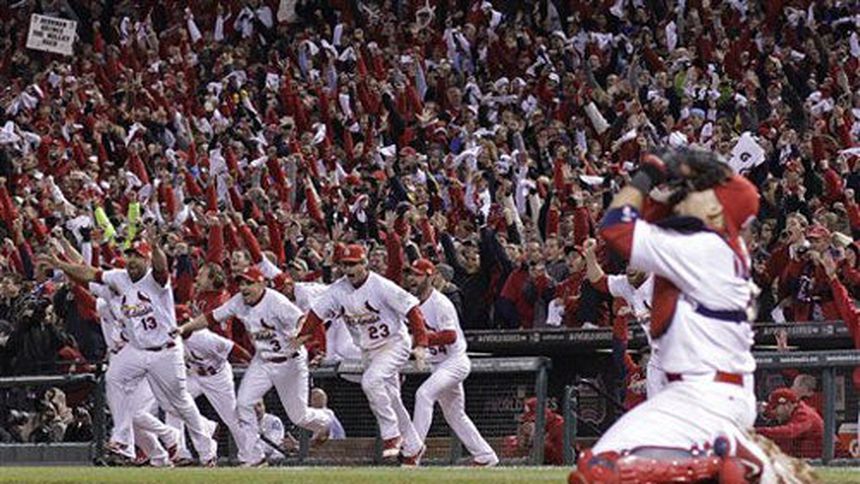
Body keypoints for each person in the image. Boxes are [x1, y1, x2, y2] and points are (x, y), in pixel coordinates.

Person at [570, 148, 811, 483]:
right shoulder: (708, 244)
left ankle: (741, 463)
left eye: (697, 192)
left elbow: (615, 226)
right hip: (704, 388)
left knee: (601, 470)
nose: (685, 196)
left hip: (704, 392)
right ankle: (739, 463)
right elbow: (657, 217)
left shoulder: (699, 247)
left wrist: (648, 175)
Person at [43, 236, 217, 466]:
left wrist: (156, 247)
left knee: (179, 402)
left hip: (165, 349)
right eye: (130, 255)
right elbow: (88, 273)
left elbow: (161, 267)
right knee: (113, 378)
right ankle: (124, 441)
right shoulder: (116, 281)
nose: (132, 259)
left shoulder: (155, 280)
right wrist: (62, 264)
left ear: (147, 259)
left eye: (138, 255)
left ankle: (206, 449)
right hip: (135, 350)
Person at [179, 266, 333, 466]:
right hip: (263, 360)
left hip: (289, 361)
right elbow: (211, 317)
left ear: (262, 284)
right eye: (241, 283)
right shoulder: (238, 301)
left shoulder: (275, 301)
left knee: (299, 416)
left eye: (249, 283)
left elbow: (302, 318)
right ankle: (254, 457)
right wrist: (186, 327)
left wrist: (299, 334)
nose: (244, 287)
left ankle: (325, 421)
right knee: (244, 403)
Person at [298, 244, 430, 465]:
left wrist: (422, 343)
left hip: (394, 343)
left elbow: (412, 310)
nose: (348, 269)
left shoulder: (380, 285)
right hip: (368, 350)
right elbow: (316, 314)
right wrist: (301, 336)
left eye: (353, 264)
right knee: (393, 400)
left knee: (371, 381)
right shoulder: (338, 290)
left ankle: (391, 436)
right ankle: (414, 447)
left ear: (364, 263)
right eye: (345, 264)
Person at [405, 258, 498, 466]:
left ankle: (414, 449)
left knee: (424, 394)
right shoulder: (411, 303)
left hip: (454, 361)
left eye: (418, 275)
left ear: (430, 277)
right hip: (439, 363)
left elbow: (450, 336)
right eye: (411, 274)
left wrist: (420, 340)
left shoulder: (440, 303)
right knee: (455, 414)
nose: (412, 279)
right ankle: (485, 456)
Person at [166, 305, 253, 464]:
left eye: (183, 322)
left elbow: (234, 348)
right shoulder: (172, 337)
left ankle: (250, 455)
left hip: (217, 377)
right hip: (194, 376)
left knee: (232, 418)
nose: (180, 325)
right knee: (174, 405)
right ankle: (181, 452)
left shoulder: (203, 338)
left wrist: (254, 364)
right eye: (177, 322)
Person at [583, 238, 663, 397]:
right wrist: (590, 255)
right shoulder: (626, 284)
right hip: (658, 359)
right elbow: (598, 281)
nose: (629, 269)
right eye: (627, 264)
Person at [756, 388, 824, 459]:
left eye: (775, 408)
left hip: (820, 459)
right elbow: (770, 413)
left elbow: (789, 432)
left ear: (787, 405)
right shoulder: (793, 409)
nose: (774, 412)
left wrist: (759, 431)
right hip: (805, 456)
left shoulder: (804, 414)